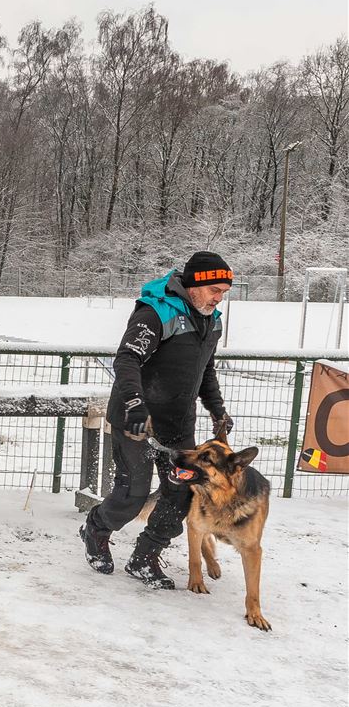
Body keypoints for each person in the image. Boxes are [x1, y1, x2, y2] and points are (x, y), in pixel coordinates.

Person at [80, 251, 235, 589]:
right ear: (194, 285)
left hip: (178, 423)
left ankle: (145, 556)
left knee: (181, 494)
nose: (218, 298)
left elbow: (205, 369)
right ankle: (96, 528)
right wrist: (136, 404)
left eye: (223, 292)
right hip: (137, 419)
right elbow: (127, 359)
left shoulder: (212, 321)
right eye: (214, 290)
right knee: (132, 493)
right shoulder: (155, 313)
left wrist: (217, 408)